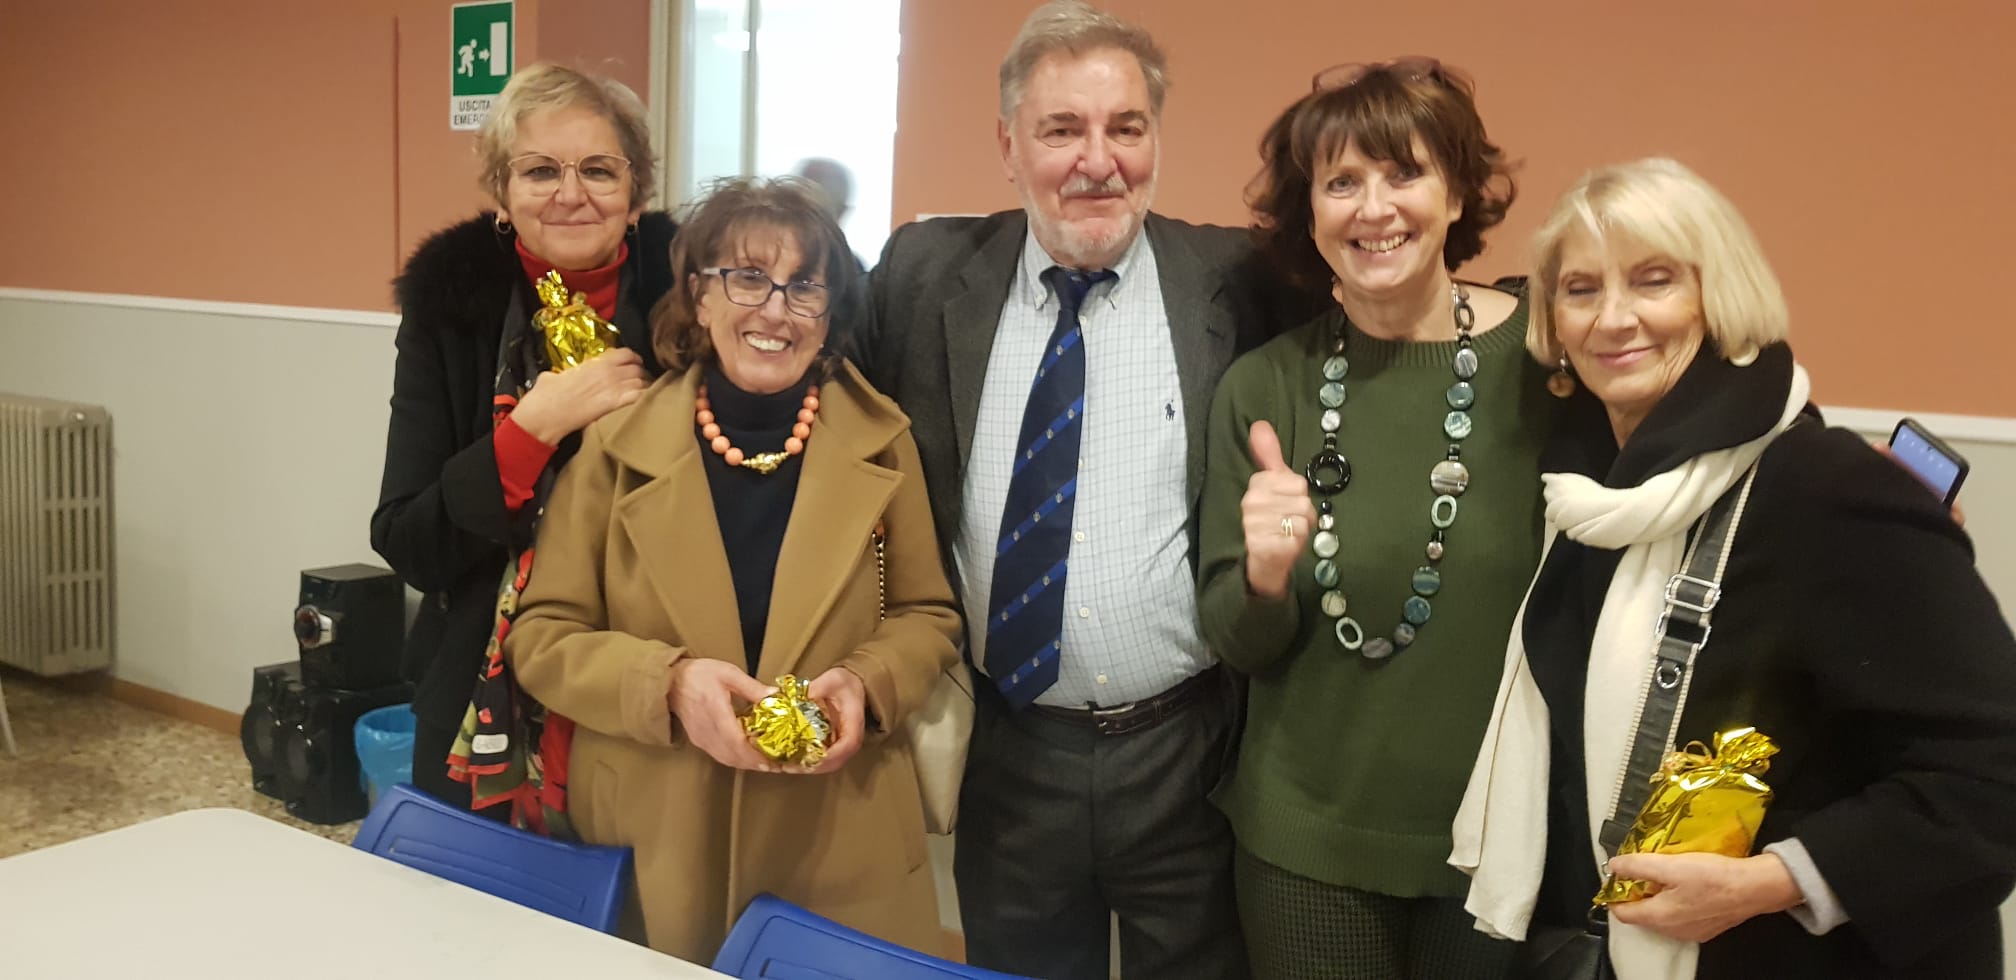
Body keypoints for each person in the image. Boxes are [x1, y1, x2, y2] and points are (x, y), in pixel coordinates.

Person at [1453, 158, 2016, 979]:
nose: (1613, 318)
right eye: (1580, 289)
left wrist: (1772, 882)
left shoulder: (1830, 491)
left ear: (1719, 295)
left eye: (1654, 280)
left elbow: (1991, 772)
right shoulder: (1586, 495)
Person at [858, 3, 1313, 977]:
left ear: (1156, 139)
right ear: (1008, 146)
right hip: (1012, 749)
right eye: (1062, 129)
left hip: (1190, 753)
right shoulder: (923, 277)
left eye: (1126, 128)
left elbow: (1392, 291)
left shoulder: (1239, 279)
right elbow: (794, 348)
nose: (1097, 161)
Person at [504, 177, 962, 961]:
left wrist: (867, 682)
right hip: (658, 834)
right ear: (699, 295)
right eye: (748, 277)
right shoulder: (614, 447)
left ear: (829, 311)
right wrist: (668, 685)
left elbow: (928, 616)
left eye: (805, 286)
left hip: (840, 836)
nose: (776, 311)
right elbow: (543, 637)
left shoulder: (885, 443)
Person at [1195, 58, 1543, 979]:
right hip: (1307, 848)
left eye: (1404, 173)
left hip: (1499, 842)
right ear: (1309, 213)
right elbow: (1237, 642)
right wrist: (1265, 575)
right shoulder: (1265, 386)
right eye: (1341, 182)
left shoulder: (1548, 365)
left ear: (1457, 194)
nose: (1374, 208)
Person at [371, 64, 675, 813]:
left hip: (652, 685)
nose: (570, 194)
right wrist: (534, 428)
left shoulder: (699, 299)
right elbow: (410, 542)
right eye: (540, 171)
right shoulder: (450, 311)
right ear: (503, 194)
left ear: (636, 192)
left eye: (598, 170)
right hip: (478, 687)